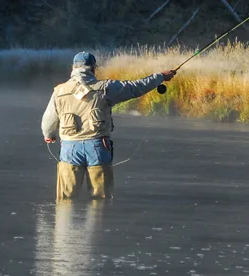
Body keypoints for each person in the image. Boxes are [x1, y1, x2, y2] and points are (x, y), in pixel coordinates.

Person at [41, 51, 176, 200]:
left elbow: (48, 119)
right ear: (93, 68)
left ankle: (65, 222)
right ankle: (99, 222)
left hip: (69, 148)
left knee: (66, 198)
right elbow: (135, 87)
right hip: (98, 146)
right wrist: (160, 76)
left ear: (73, 68)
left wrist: (49, 135)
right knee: (100, 199)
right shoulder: (106, 88)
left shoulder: (59, 91)